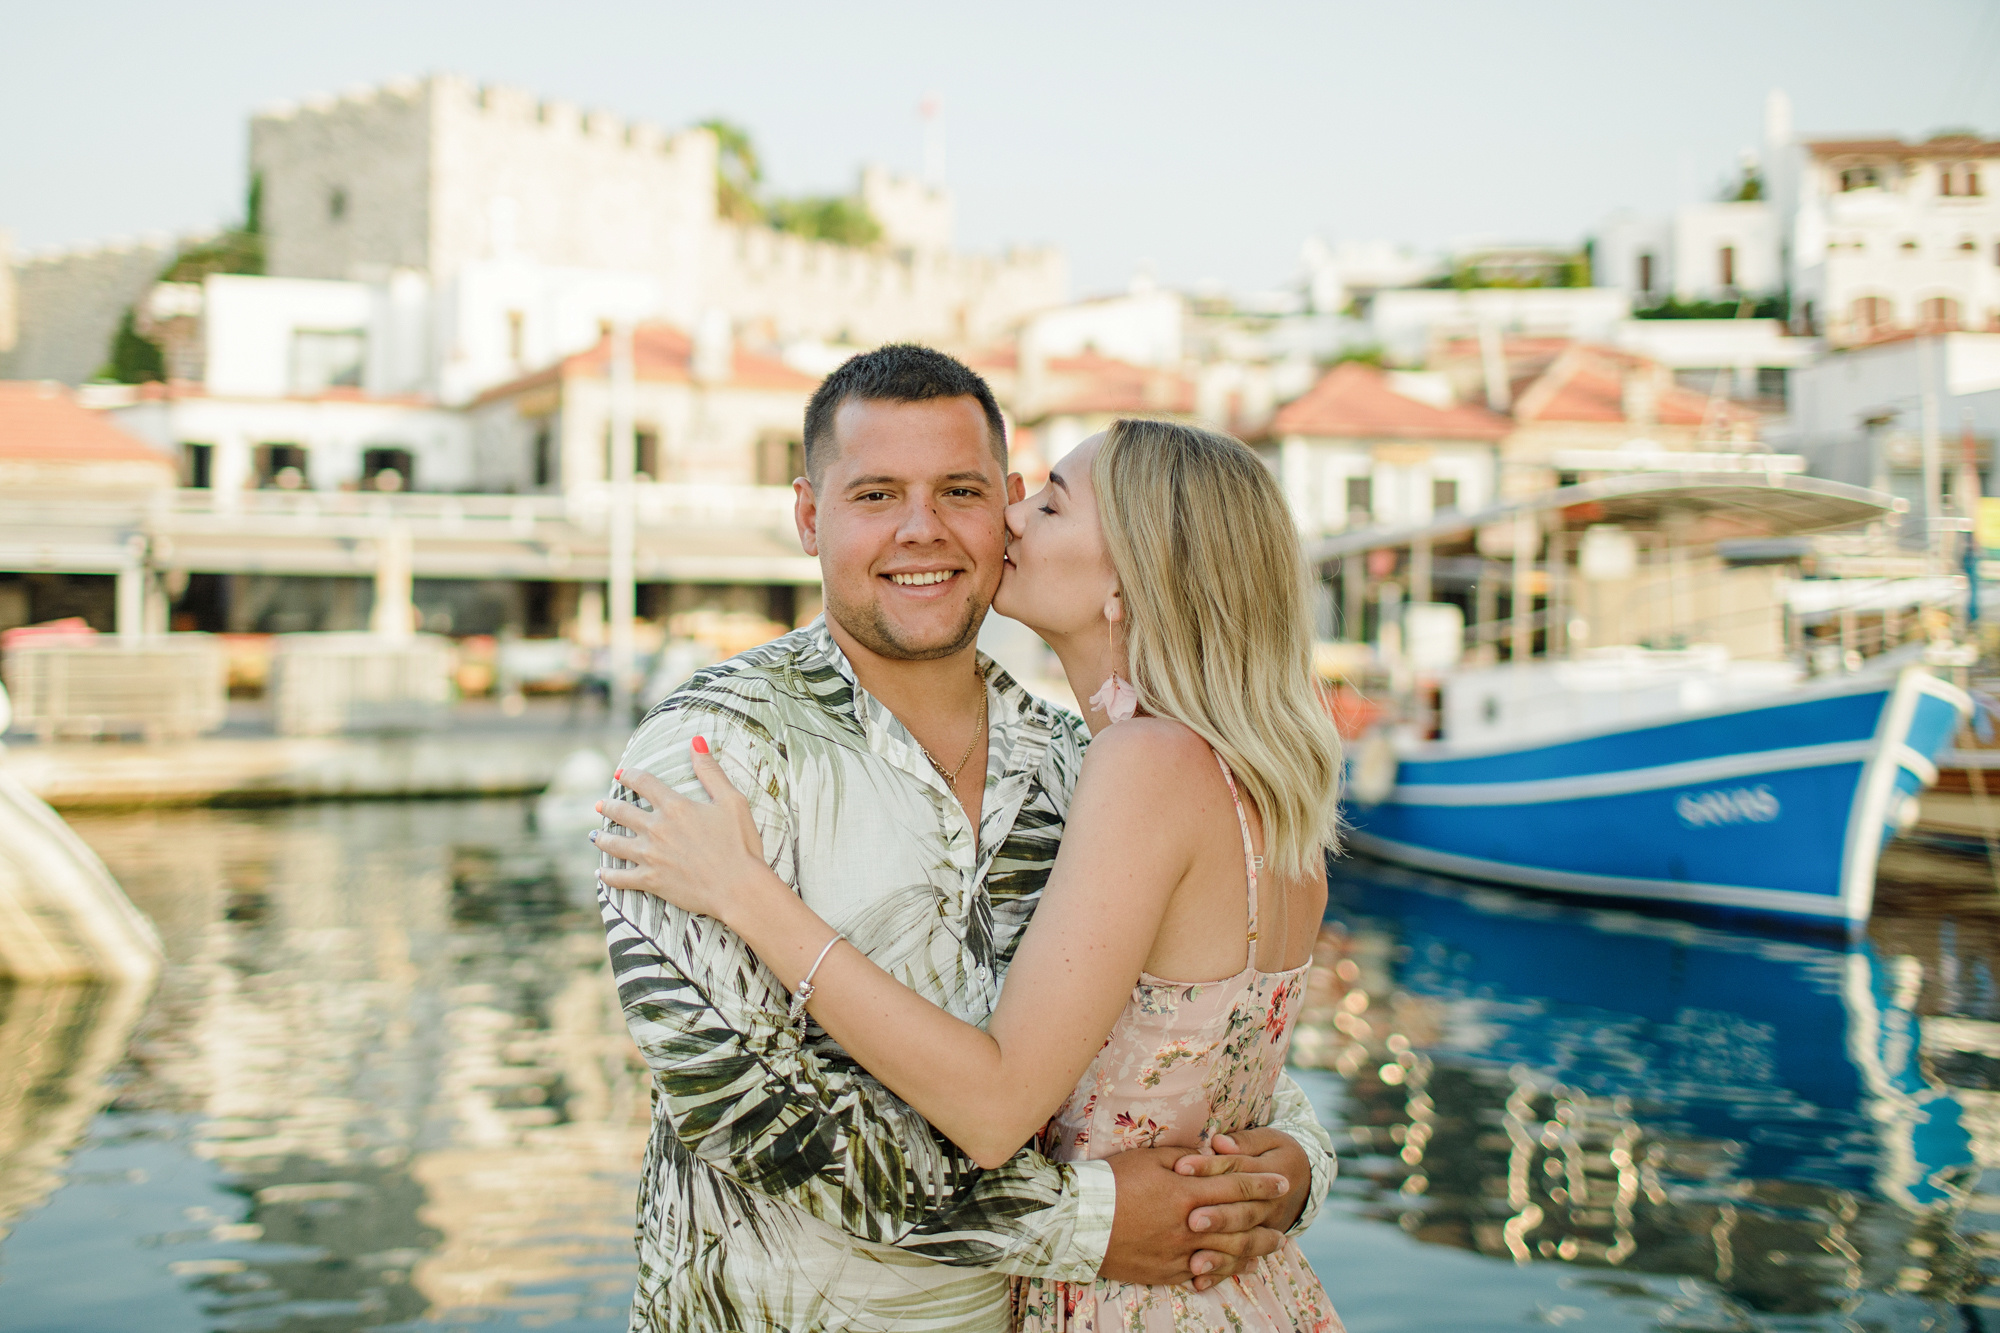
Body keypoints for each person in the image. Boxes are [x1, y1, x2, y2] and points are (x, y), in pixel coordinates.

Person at [598, 386, 1345, 1331]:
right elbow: (750, 1112)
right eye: (875, 495)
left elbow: (1212, 1063)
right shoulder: (712, 753)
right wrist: (1091, 1223)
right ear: (808, 515)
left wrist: (1297, 1165)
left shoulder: (1099, 764)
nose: (923, 529)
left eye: (963, 491)